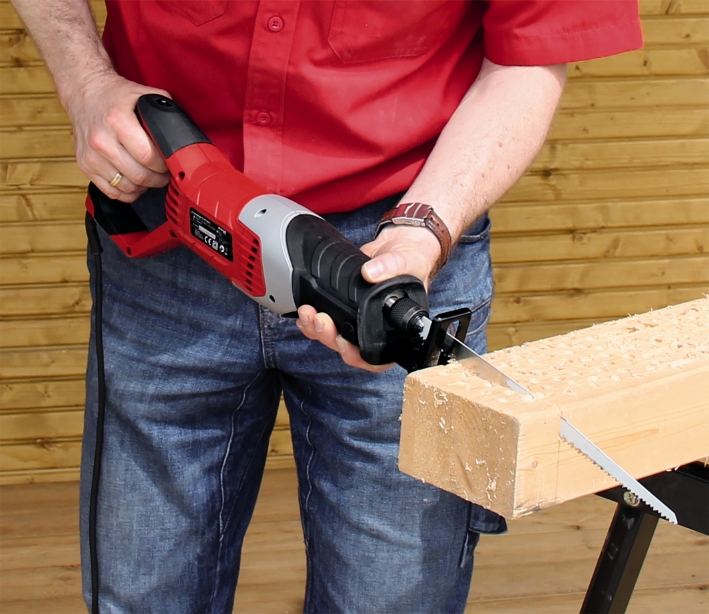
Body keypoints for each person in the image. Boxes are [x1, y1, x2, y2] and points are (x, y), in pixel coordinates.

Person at [12, 1, 642, 612]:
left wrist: (422, 229)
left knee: (394, 597)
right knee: (144, 591)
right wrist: (86, 82)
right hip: (173, 225)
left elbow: (530, 56)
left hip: (399, 243)